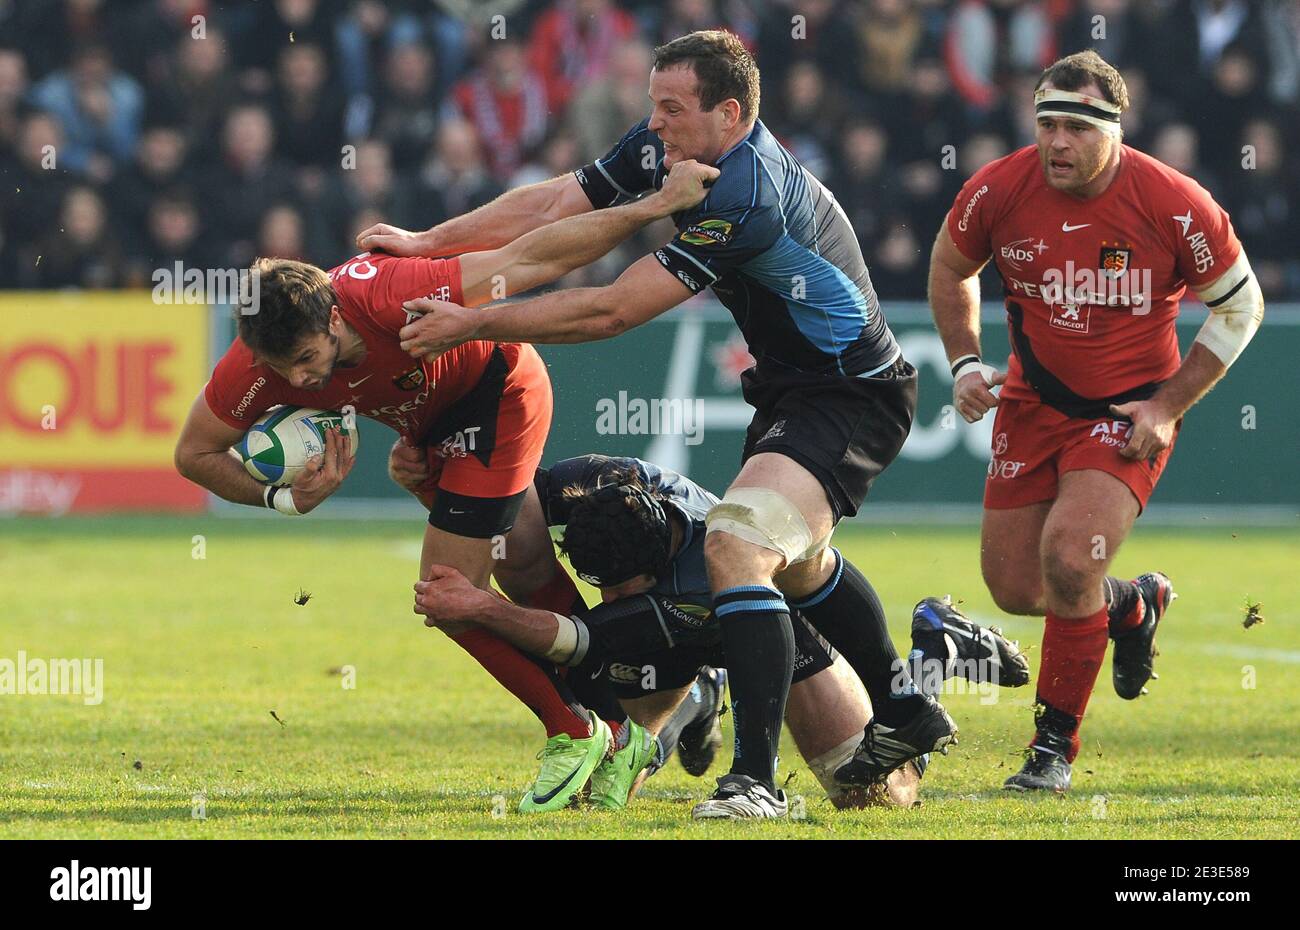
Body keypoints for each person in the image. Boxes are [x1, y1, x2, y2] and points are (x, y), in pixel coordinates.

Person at [357, 29, 957, 820]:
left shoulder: (747, 195)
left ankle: (755, 783)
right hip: (789, 392)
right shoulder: (671, 146)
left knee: (737, 545)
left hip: (851, 393)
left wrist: (474, 323)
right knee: (801, 567)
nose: (654, 122)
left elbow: (613, 307)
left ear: (730, 114)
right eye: (652, 103)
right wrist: (430, 242)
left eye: (671, 108)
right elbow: (554, 202)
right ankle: (914, 695)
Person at [173, 160, 717, 813]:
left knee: (446, 594)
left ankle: (576, 730)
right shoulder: (263, 357)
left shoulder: (388, 292)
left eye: (306, 361)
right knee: (524, 575)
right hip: (437, 432)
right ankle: (631, 723)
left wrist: (652, 206)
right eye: (280, 368)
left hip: (502, 397)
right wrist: (283, 497)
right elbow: (194, 453)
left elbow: (530, 258)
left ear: (333, 321)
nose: (299, 381)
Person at [927, 50, 1264, 792]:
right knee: (1016, 587)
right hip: (1032, 401)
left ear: (1115, 129)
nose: (1057, 142)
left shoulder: (1174, 203)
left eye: (1076, 127)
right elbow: (952, 267)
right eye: (1047, 123)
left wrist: (1167, 406)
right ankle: (1133, 603)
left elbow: (1243, 305)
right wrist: (963, 361)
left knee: (1073, 558)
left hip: (1127, 413)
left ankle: (1052, 748)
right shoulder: (998, 188)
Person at [409, 454, 1030, 810]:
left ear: (655, 570)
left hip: (777, 632)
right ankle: (698, 697)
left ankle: (935, 650)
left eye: (620, 588)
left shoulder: (698, 578)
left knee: (872, 795)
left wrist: (481, 607)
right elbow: (496, 493)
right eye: (600, 583)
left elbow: (587, 638)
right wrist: (423, 477)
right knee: (610, 777)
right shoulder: (584, 488)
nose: (608, 596)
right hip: (681, 622)